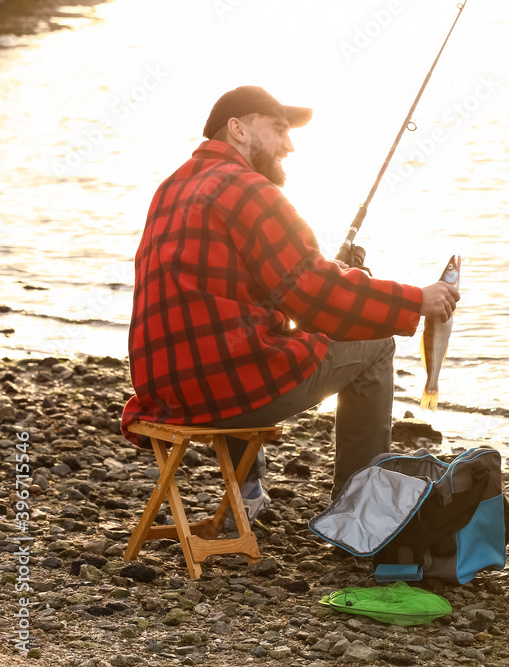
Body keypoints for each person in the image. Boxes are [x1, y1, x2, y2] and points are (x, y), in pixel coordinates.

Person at [121, 85, 460, 521]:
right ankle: (355, 511)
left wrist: (332, 273)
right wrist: (416, 300)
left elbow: (250, 290)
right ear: (238, 129)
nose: (289, 144)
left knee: (245, 333)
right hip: (221, 390)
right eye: (279, 130)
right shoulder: (247, 189)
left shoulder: (172, 187)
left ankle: (245, 486)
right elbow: (313, 294)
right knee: (376, 343)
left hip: (165, 390)